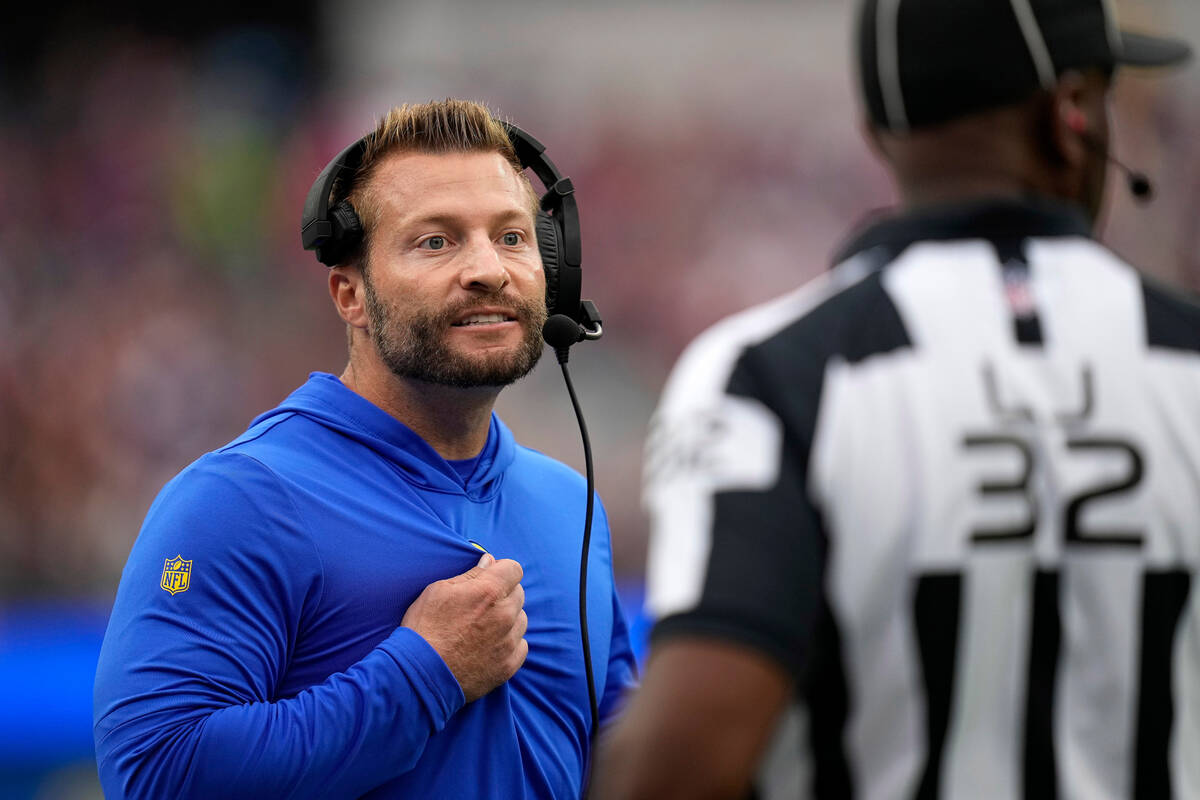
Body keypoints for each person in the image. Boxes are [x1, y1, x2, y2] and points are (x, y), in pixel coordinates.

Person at [591, 1, 1198, 798]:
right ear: (1070, 114)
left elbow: (680, 763)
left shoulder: (775, 373)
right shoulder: (1183, 360)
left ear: (879, 133)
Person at [93, 99, 636, 799]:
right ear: (350, 294)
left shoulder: (571, 506)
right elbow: (155, 772)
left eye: (511, 237)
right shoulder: (238, 500)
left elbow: (621, 753)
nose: (488, 270)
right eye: (434, 242)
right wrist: (426, 671)